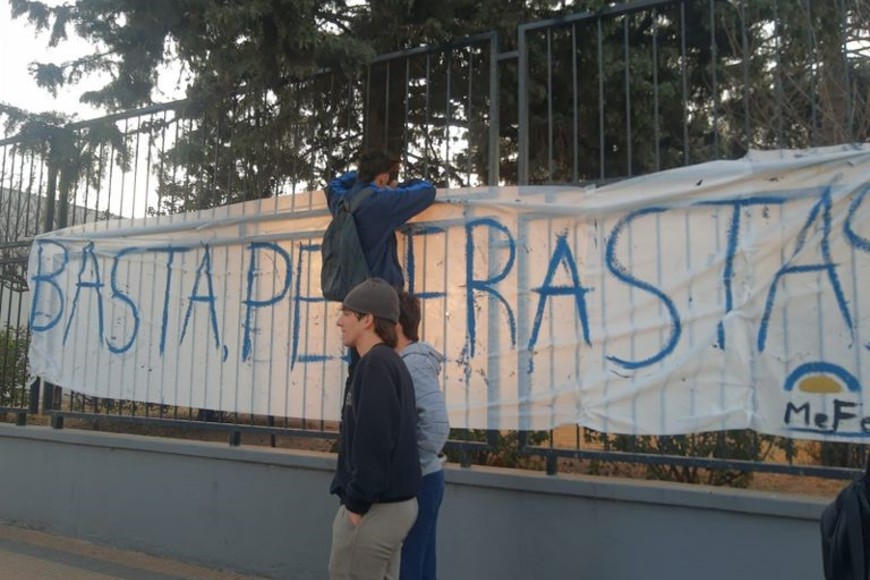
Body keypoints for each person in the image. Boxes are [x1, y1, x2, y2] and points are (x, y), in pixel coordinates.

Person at [329, 278, 422, 580]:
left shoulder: (377, 366)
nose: (339, 321)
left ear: (367, 320)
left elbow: (376, 441)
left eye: (347, 313)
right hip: (388, 505)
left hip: (375, 508)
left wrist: (356, 506)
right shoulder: (386, 363)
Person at [395, 291, 450, 580]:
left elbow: (437, 424)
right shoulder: (409, 361)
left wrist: (408, 464)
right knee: (420, 559)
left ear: (396, 326)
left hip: (421, 479)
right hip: (425, 477)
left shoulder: (412, 364)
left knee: (411, 563)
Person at [325, 150, 436, 289]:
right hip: (379, 291)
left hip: (350, 292)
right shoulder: (382, 202)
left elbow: (333, 184)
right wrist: (399, 187)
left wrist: (359, 176)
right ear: (383, 178)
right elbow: (428, 191)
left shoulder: (340, 200)